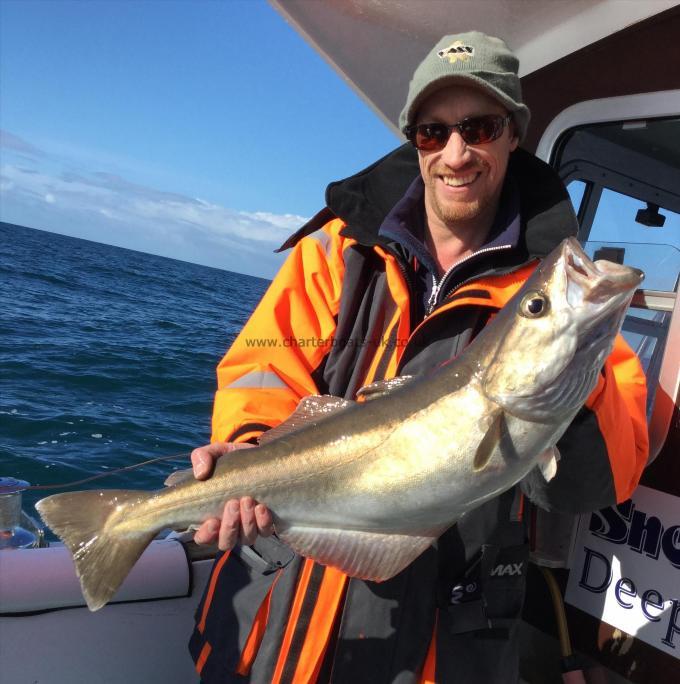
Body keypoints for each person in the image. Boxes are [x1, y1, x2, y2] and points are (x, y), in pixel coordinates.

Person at [188, 32, 648, 683]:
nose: (456, 153)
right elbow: (262, 367)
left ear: (512, 135)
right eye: (433, 133)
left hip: (431, 647)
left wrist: (571, 375)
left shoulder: (550, 293)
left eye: (478, 127)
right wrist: (249, 440)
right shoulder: (337, 253)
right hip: (273, 633)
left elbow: (611, 472)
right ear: (415, 141)